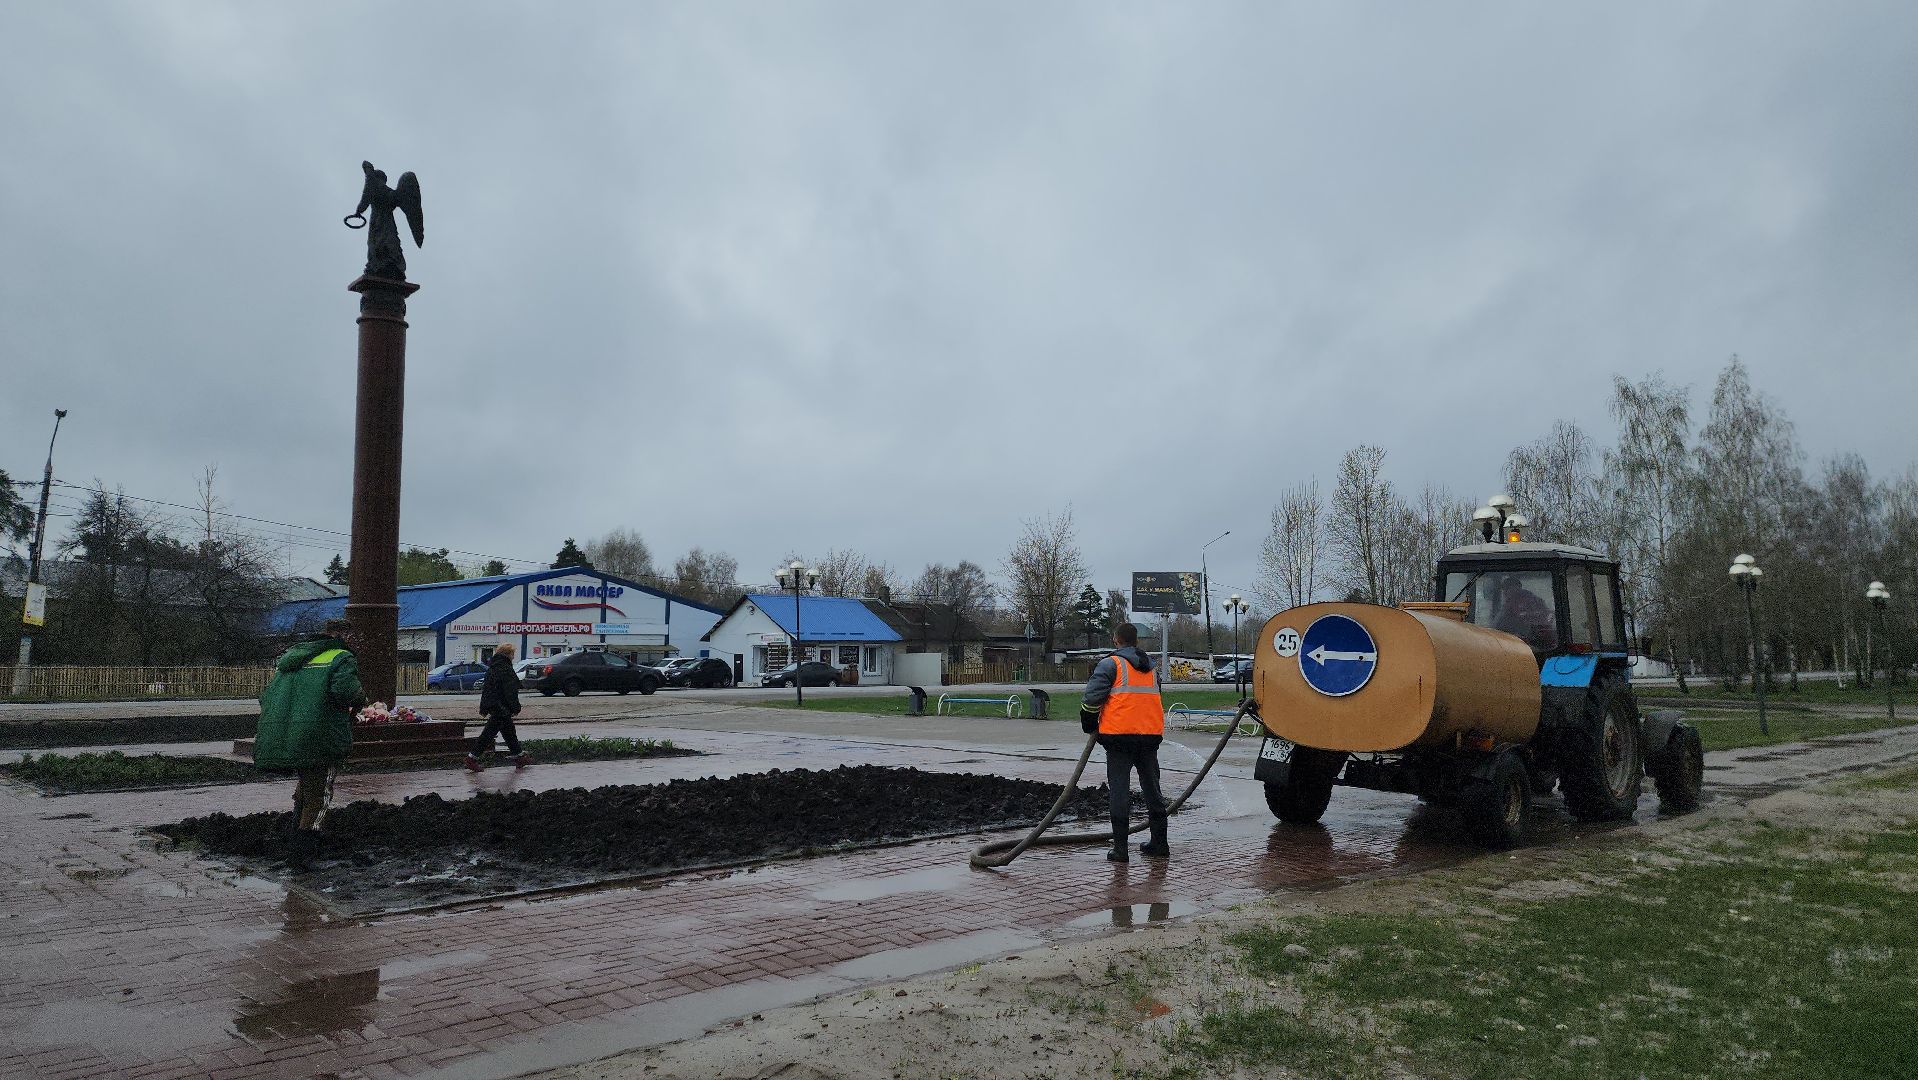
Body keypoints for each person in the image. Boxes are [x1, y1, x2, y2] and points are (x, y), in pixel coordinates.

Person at [254, 619, 364, 830]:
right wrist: (361, 701)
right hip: (319, 735)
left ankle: (295, 836)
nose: (355, 644)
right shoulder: (341, 657)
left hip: (285, 732)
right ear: (342, 636)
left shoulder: (293, 657)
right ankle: (303, 851)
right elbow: (346, 692)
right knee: (319, 795)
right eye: (353, 638)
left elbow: (266, 697)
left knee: (307, 785)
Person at [1079, 622, 1169, 863]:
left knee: (1119, 793)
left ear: (1116, 640)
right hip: (1149, 737)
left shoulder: (1111, 664)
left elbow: (1091, 700)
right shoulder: (1152, 668)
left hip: (1119, 739)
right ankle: (1160, 843)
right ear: (1136, 641)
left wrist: (1090, 726)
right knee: (1153, 790)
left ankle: (1121, 850)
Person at [468, 644, 529, 771]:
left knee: (509, 732)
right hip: (501, 707)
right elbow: (510, 691)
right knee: (489, 734)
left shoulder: (493, 666)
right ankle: (472, 758)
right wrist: (515, 707)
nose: (513, 657)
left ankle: (519, 756)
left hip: (494, 704)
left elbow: (489, 688)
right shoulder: (505, 668)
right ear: (508, 654)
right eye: (512, 654)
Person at [1491, 576, 1556, 650]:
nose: (1505, 593)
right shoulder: (1535, 601)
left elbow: (1499, 626)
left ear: (1516, 588)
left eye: (1507, 589)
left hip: (1531, 644)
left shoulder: (1516, 604)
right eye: (1504, 590)